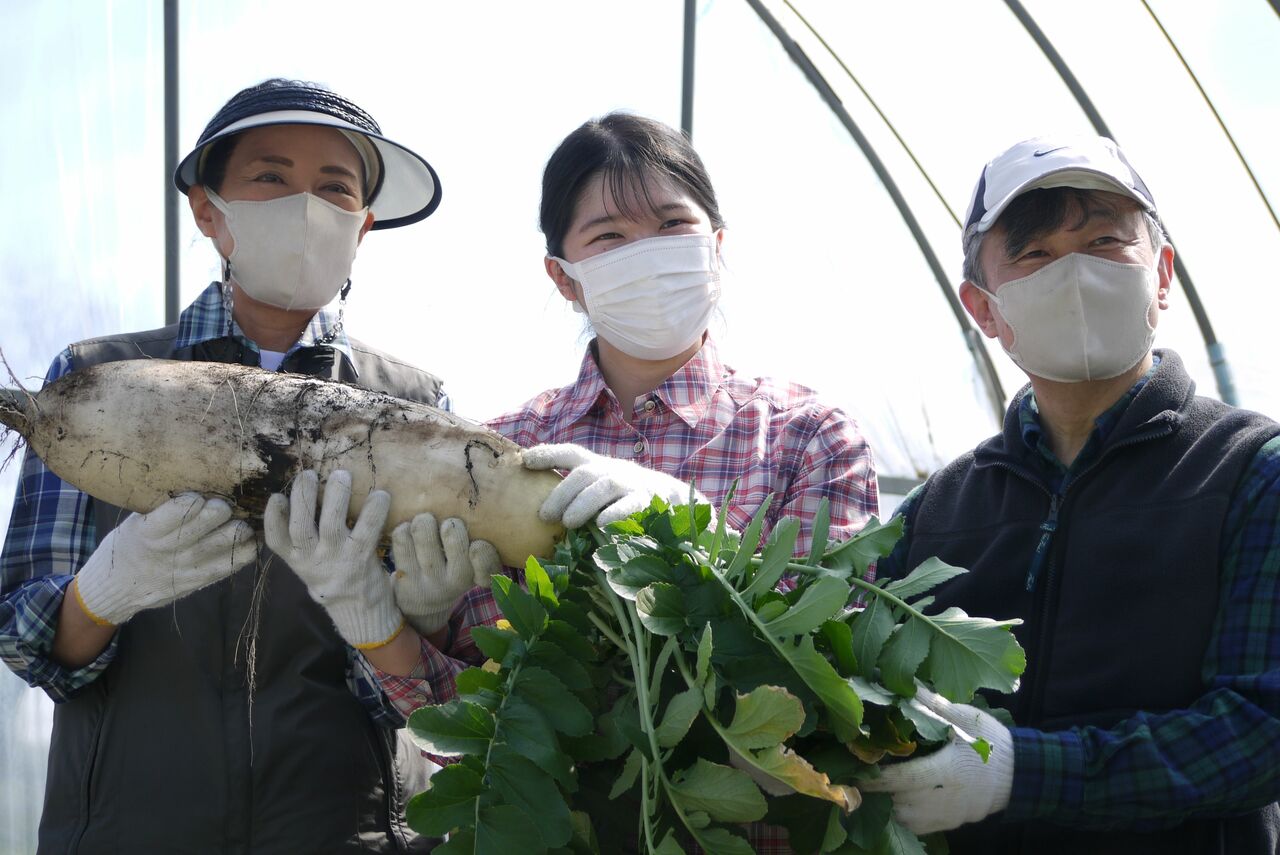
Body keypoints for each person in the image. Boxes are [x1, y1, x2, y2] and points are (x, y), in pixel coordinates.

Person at [374, 111, 880, 853]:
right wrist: (408, 623)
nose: (647, 254)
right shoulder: (498, 452)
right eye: (609, 236)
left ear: (717, 246)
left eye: (674, 224)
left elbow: (832, 677)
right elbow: (472, 725)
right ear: (564, 276)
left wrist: (694, 527)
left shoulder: (809, 435)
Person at [0, 78, 468, 853]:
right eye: (272, 178)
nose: (306, 206)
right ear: (209, 211)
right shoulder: (97, 379)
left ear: (363, 225)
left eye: (334, 187)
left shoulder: (415, 406)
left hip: (347, 831)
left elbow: (439, 694)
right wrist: (105, 590)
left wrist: (395, 619)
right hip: (128, 831)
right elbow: (22, 636)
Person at [862, 135, 1280, 854]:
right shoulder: (937, 513)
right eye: (1035, 256)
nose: (1076, 274)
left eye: (1105, 240)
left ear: (1163, 274)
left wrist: (1021, 772)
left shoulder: (1250, 471)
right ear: (984, 308)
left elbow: (1261, 727)